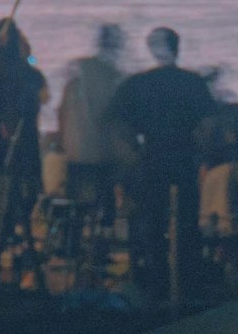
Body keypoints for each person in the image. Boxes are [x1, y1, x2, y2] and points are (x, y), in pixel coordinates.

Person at [113, 26, 214, 303]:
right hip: (183, 158)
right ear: (177, 48)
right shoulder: (193, 83)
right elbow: (206, 125)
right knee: (186, 223)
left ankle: (156, 284)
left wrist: (133, 153)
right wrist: (201, 152)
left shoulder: (139, 84)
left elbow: (119, 122)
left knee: (152, 223)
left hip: (153, 157)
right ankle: (186, 284)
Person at [55, 22, 130, 228]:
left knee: (75, 204)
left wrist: (65, 140)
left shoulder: (79, 71)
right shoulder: (114, 76)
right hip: (102, 154)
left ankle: (73, 243)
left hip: (76, 150)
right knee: (105, 202)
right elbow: (117, 119)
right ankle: (101, 244)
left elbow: (62, 111)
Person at [0, 21, 48, 244]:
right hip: (19, 131)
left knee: (17, 183)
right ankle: (12, 227)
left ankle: (11, 227)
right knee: (22, 183)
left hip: (12, 130)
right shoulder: (12, 66)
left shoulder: (1, 63)